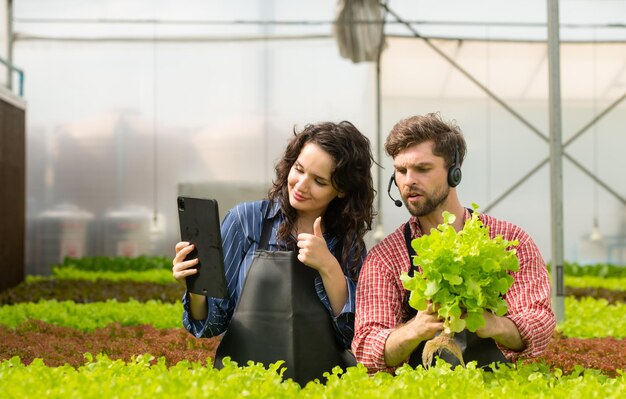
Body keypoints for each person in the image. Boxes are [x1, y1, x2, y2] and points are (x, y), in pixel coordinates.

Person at [172, 120, 376, 383]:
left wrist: (329, 267)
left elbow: (355, 337)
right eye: (299, 169)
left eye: (319, 181)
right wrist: (196, 286)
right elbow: (211, 324)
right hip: (245, 386)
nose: (301, 185)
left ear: (342, 190)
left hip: (321, 389)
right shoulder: (246, 221)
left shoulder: (348, 243)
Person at [352, 112, 556, 374]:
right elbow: (366, 349)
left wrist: (491, 323)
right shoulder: (386, 258)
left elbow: (540, 324)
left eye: (422, 169)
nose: (408, 180)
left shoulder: (509, 243)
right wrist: (415, 328)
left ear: (454, 172)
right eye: (401, 171)